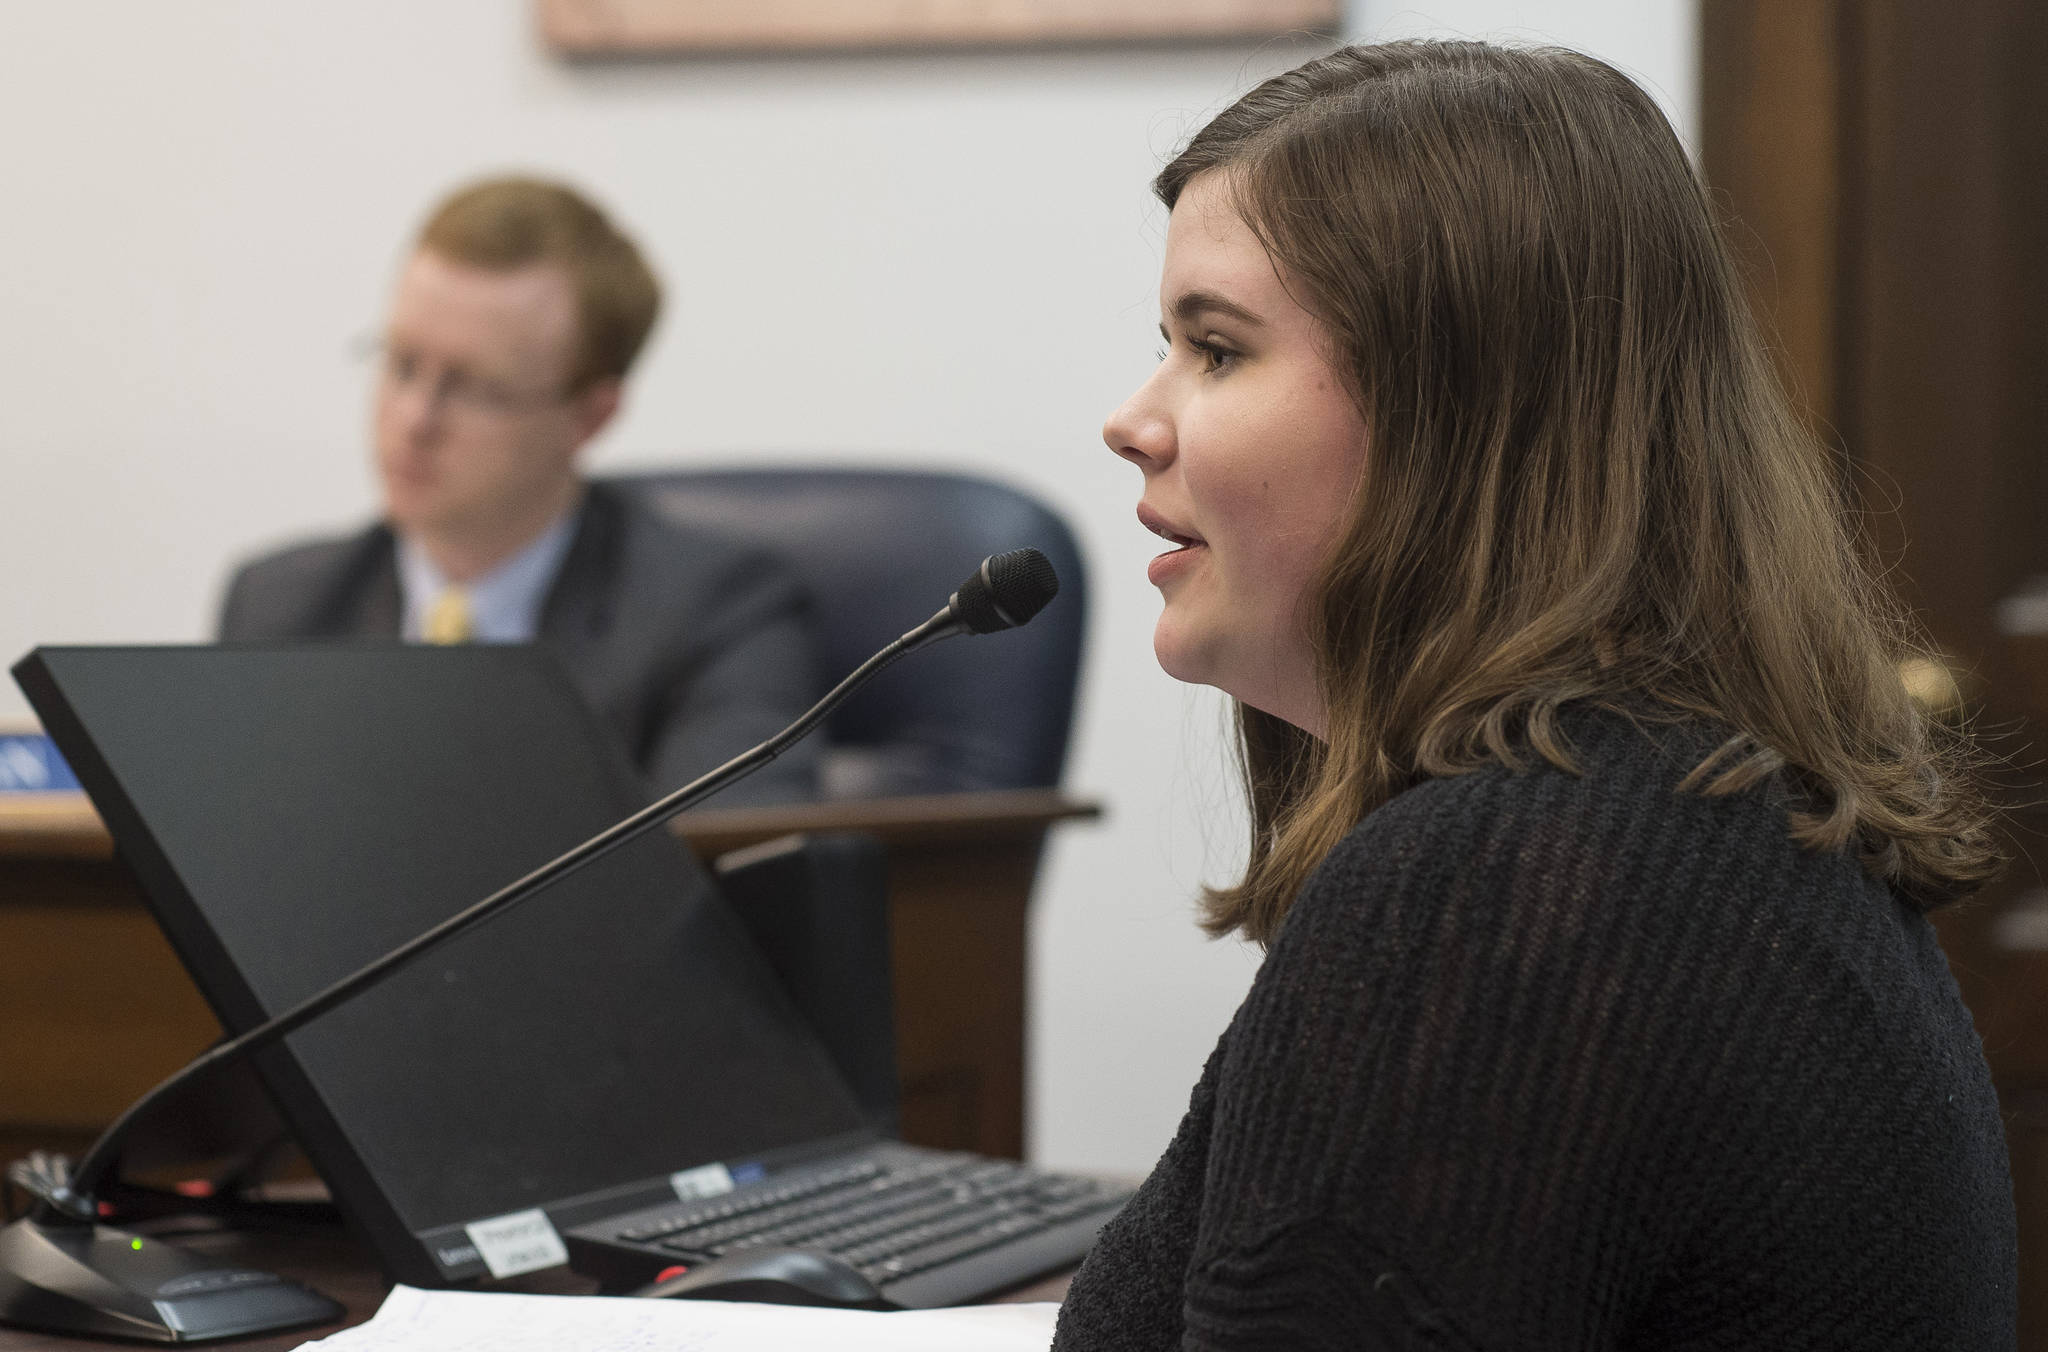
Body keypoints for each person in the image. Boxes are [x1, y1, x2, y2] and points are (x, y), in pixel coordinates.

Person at [1056, 41, 2016, 1350]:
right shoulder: (1669, 809)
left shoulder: (1509, 886)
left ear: (1453, 413)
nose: (1133, 418)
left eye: (1216, 350)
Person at [218, 177, 820, 804]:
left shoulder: (718, 614)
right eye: (401, 364)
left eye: (475, 387)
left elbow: (723, 876)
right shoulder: (282, 610)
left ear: (590, 417)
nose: (415, 419)